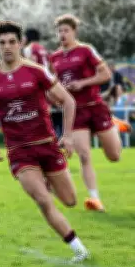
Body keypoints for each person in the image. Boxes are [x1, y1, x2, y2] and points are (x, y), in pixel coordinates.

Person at [0, 20, 89, 262]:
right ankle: (78, 249)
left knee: (70, 201)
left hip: (47, 146)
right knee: (42, 199)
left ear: (20, 44)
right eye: (2, 43)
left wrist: (68, 136)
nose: (7, 47)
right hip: (19, 152)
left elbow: (68, 100)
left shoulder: (36, 71)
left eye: (11, 42)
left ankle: (48, 181)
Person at [49, 14, 120, 212]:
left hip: (95, 107)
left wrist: (83, 83)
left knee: (114, 156)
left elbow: (105, 74)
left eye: (66, 30)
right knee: (84, 155)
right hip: (75, 112)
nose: (62, 34)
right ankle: (95, 199)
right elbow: (53, 85)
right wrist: (55, 96)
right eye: (59, 31)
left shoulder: (86, 50)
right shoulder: (54, 58)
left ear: (74, 32)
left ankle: (115, 124)